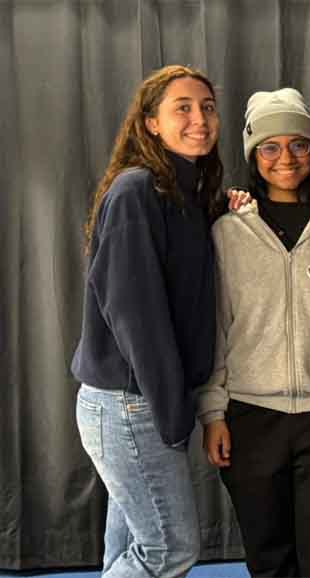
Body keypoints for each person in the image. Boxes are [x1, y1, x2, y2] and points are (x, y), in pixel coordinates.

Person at [195, 88, 310, 578]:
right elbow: (215, 329)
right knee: (269, 558)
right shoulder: (228, 231)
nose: (286, 157)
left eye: (299, 144)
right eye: (270, 147)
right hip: (249, 417)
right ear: (253, 155)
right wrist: (213, 412)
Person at [71, 65, 223, 577]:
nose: (199, 118)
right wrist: (171, 409)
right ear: (151, 123)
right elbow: (134, 313)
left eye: (207, 107)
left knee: (129, 552)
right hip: (132, 404)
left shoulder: (186, 195)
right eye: (183, 107)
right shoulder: (137, 191)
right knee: (168, 550)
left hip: (140, 400)